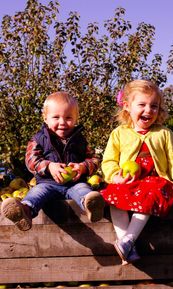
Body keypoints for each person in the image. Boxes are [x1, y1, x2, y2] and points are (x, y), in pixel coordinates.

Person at [101, 79, 173, 265]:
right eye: (142, 105)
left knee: (149, 193)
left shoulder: (164, 133)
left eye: (154, 106)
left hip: (156, 183)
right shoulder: (119, 133)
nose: (148, 110)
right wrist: (115, 176)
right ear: (127, 107)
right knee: (112, 195)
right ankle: (126, 244)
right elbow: (109, 160)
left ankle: (128, 240)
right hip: (129, 182)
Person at [1, 91, 105, 231]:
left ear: (76, 119)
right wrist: (49, 166)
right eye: (56, 117)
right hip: (47, 184)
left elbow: (94, 159)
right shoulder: (39, 139)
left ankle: (91, 207)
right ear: (45, 118)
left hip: (74, 183)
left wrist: (82, 167)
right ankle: (24, 212)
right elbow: (31, 160)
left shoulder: (80, 140)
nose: (62, 122)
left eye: (68, 117)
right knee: (36, 194)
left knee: (84, 191)